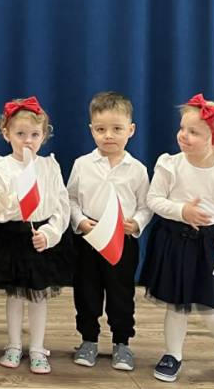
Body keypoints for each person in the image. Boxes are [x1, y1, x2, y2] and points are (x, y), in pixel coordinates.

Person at [141, 94, 214, 383]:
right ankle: (172, 354)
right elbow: (154, 200)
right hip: (174, 241)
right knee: (176, 306)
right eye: (182, 128)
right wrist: (182, 211)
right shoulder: (170, 165)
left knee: (211, 305)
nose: (183, 135)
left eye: (193, 132)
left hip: (208, 246)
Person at [0, 96, 74, 375]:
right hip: (12, 238)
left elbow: (61, 205)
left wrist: (50, 234)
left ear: (44, 135)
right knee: (15, 295)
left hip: (41, 237)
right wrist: (12, 203)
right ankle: (14, 344)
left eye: (34, 135)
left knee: (39, 295)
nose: (27, 141)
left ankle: (38, 347)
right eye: (20, 134)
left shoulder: (49, 166)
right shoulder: (0, 166)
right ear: (6, 134)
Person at [67, 91, 150, 372]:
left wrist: (136, 223)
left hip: (122, 240)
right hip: (89, 239)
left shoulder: (137, 169)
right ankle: (88, 340)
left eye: (117, 129)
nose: (109, 136)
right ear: (91, 130)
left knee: (121, 292)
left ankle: (122, 343)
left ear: (131, 130)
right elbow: (70, 199)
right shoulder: (82, 164)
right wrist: (80, 221)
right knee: (86, 291)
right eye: (101, 129)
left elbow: (146, 205)